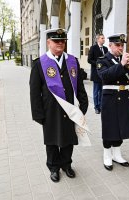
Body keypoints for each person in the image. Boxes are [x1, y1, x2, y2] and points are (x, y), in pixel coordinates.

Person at [29, 28, 88, 182]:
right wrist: (38, 114)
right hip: (50, 111)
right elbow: (34, 92)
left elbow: (80, 85)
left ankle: (66, 165)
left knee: (69, 139)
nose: (60, 44)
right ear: (48, 42)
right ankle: (54, 167)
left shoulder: (73, 61)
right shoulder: (39, 64)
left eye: (62, 41)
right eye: (56, 41)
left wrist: (84, 105)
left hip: (71, 109)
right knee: (52, 140)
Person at [96, 33, 129, 171]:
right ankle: (107, 155)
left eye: (122, 45)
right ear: (110, 45)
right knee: (110, 127)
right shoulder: (103, 60)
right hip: (110, 99)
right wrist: (121, 64)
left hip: (125, 97)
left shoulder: (124, 60)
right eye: (117, 45)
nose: (120, 47)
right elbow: (105, 76)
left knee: (121, 127)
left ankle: (117, 154)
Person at [88, 34, 108, 114]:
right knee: (96, 91)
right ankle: (96, 107)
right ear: (98, 39)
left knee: (102, 91)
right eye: (102, 38)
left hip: (104, 73)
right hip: (96, 73)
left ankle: (101, 106)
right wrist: (98, 64)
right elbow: (89, 60)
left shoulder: (106, 49)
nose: (104, 39)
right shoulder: (93, 48)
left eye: (104, 38)